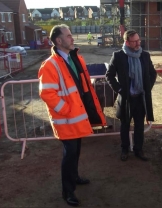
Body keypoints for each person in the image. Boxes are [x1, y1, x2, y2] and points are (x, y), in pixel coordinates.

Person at [38, 24, 106, 206]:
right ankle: (67, 191)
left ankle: (74, 177)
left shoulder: (75, 58)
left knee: (76, 150)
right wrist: (67, 109)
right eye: (68, 36)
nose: (72, 38)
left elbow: (82, 87)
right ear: (58, 41)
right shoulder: (50, 65)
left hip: (77, 116)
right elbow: (47, 94)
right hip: (66, 118)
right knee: (70, 154)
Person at [105, 29, 157, 162]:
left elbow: (153, 73)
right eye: (135, 41)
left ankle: (139, 149)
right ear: (127, 42)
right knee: (125, 125)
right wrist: (120, 89)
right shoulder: (118, 56)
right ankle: (124, 149)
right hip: (126, 98)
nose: (138, 43)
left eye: (139, 40)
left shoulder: (144, 55)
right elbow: (109, 75)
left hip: (140, 97)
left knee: (139, 125)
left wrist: (147, 88)